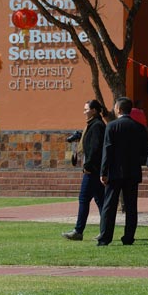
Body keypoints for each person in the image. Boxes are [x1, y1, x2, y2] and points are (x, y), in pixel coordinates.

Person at [97, 97, 148, 246]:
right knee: (131, 206)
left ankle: (105, 237)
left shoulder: (112, 126)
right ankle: (128, 237)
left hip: (114, 171)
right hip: (132, 171)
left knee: (109, 206)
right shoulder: (139, 127)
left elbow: (107, 150)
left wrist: (103, 171)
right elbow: (144, 151)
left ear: (118, 109)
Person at [62, 100, 106, 241]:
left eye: (86, 109)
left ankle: (78, 230)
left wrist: (87, 165)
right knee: (100, 201)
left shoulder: (97, 126)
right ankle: (105, 230)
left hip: (92, 170)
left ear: (93, 110)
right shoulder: (93, 125)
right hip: (95, 169)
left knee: (84, 199)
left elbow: (95, 148)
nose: (84, 112)